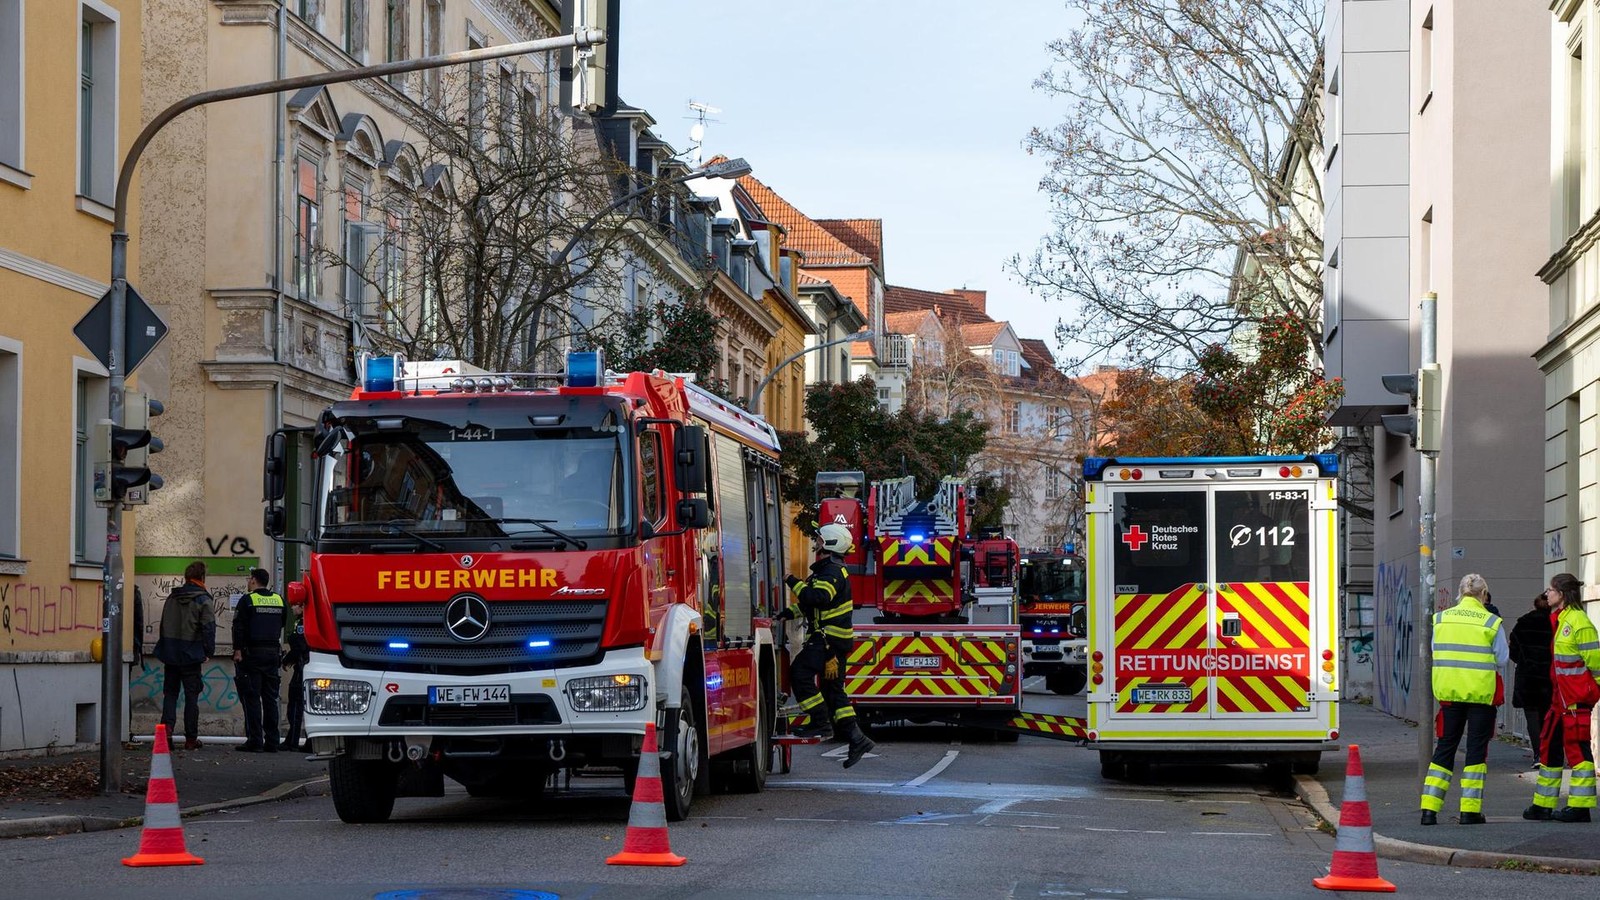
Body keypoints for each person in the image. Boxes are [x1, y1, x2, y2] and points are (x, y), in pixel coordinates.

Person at [778, 523, 876, 768]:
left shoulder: (830, 571)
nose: (816, 544)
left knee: (799, 674)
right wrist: (785, 614)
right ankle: (857, 738)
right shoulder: (830, 570)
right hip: (834, 641)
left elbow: (817, 598)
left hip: (827, 641)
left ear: (830, 544)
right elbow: (812, 605)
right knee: (834, 691)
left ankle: (820, 721)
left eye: (820, 541)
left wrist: (792, 580)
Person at [1418, 573, 1507, 826]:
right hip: (1481, 695)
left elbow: (1437, 651)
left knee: (1445, 747)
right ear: (1483, 594)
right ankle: (1470, 811)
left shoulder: (1441, 619)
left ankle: (1429, 810)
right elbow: (1501, 658)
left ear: (1459, 592)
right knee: (1477, 751)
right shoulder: (1491, 622)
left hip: (1449, 695)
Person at [1524, 573, 1600, 822]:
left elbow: (1596, 665)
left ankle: (1580, 807)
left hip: (1575, 699)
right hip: (1561, 699)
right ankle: (1542, 805)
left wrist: (1590, 693)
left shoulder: (1578, 622)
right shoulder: (1561, 619)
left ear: (1562, 595)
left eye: (1550, 590)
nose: (1547, 594)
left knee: (1577, 751)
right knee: (1549, 748)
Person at [154, 561, 216, 751]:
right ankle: (191, 739)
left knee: (170, 695)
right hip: (192, 654)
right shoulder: (203, 599)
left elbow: (163, 624)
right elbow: (208, 628)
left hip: (171, 653)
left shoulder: (172, 597)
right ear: (202, 577)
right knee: (191, 697)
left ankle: (167, 733)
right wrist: (208, 651)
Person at [232, 568, 287, 752]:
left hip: (252, 655)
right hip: (272, 654)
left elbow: (238, 627)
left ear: (254, 581)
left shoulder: (247, 600)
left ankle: (255, 740)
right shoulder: (279, 600)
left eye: (249, 579)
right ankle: (272, 741)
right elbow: (283, 623)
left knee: (252, 698)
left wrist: (238, 650)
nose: (248, 581)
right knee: (270, 699)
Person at [1509, 590, 1554, 765]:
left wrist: (1524, 661)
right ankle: (1550, 753)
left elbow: (1513, 651)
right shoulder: (1555, 622)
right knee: (1549, 716)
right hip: (1550, 676)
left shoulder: (1523, 623)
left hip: (1527, 676)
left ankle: (1539, 754)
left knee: (1532, 717)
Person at [281, 587, 311, 752]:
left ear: (301, 606)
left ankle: (292, 740)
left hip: (302, 668)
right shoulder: (305, 621)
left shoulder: (302, 623)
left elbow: (299, 646)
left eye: (295, 605)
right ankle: (305, 741)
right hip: (304, 666)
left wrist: (287, 660)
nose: (292, 608)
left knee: (295, 704)